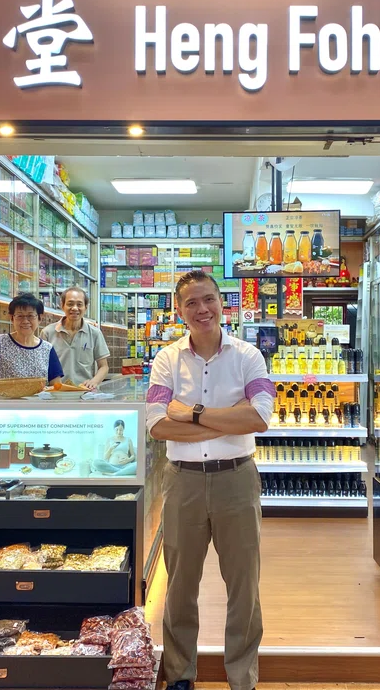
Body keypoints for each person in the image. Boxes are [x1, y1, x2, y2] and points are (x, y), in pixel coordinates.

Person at [146, 270, 274, 690]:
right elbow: (157, 426)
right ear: (179, 311)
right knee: (180, 585)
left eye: (208, 300)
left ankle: (242, 676)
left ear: (223, 303)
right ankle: (181, 674)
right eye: (191, 303)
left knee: (243, 585)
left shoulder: (248, 356)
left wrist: (194, 413)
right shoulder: (166, 359)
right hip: (181, 482)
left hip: (236, 480)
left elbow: (260, 417)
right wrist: (227, 420)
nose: (202, 310)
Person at [0, 293, 64, 382]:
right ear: (12, 318)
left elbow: (55, 385)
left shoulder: (47, 349)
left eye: (30, 316)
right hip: (5, 396)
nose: (25, 321)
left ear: (40, 318)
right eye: (20, 316)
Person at [41, 287, 110, 390]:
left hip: (84, 392)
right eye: (70, 304)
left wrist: (93, 382)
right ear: (62, 306)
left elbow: (104, 366)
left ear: (86, 307)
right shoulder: (48, 333)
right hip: (55, 393)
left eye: (79, 304)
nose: (74, 308)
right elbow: (41, 366)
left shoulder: (95, 333)